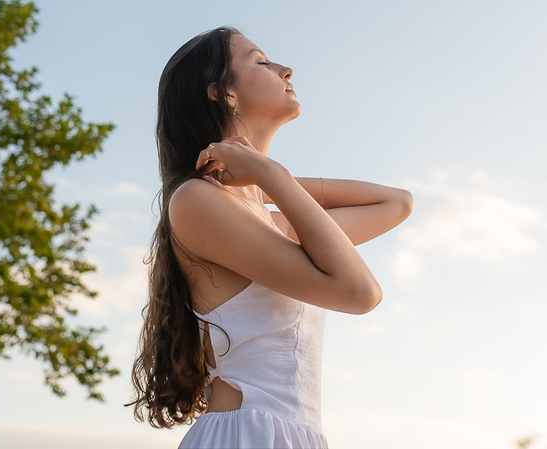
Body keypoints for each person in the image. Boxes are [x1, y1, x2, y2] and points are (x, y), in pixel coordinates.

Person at [125, 26, 414, 448]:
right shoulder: (196, 201)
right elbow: (359, 293)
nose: (285, 69)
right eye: (261, 61)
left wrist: (262, 180)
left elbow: (396, 203)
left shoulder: (267, 223)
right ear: (222, 93)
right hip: (248, 433)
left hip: (289, 434)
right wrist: (268, 175)